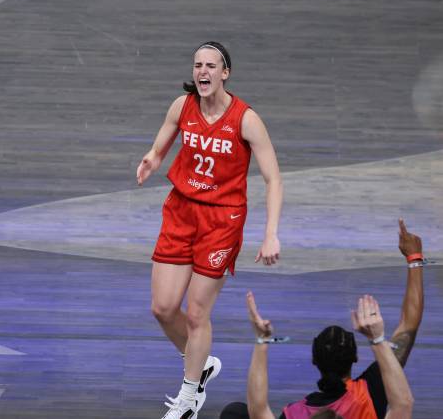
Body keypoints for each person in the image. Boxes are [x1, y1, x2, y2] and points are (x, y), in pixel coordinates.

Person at [137, 41, 283, 418]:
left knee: (198, 313)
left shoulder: (246, 119)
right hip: (181, 212)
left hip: (222, 221)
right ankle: (199, 364)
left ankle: (189, 396)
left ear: (224, 73)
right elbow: (163, 139)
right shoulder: (182, 106)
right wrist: (153, 158)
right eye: (197, 65)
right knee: (163, 307)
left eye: (210, 65)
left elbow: (273, 178)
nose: (202, 71)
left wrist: (270, 233)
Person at [222, 219, 423, 419]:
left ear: (314, 361)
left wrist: (261, 341)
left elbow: (258, 411)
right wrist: (414, 258)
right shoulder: (371, 392)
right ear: (356, 358)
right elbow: (409, 325)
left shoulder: (294, 413)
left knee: (236, 413)